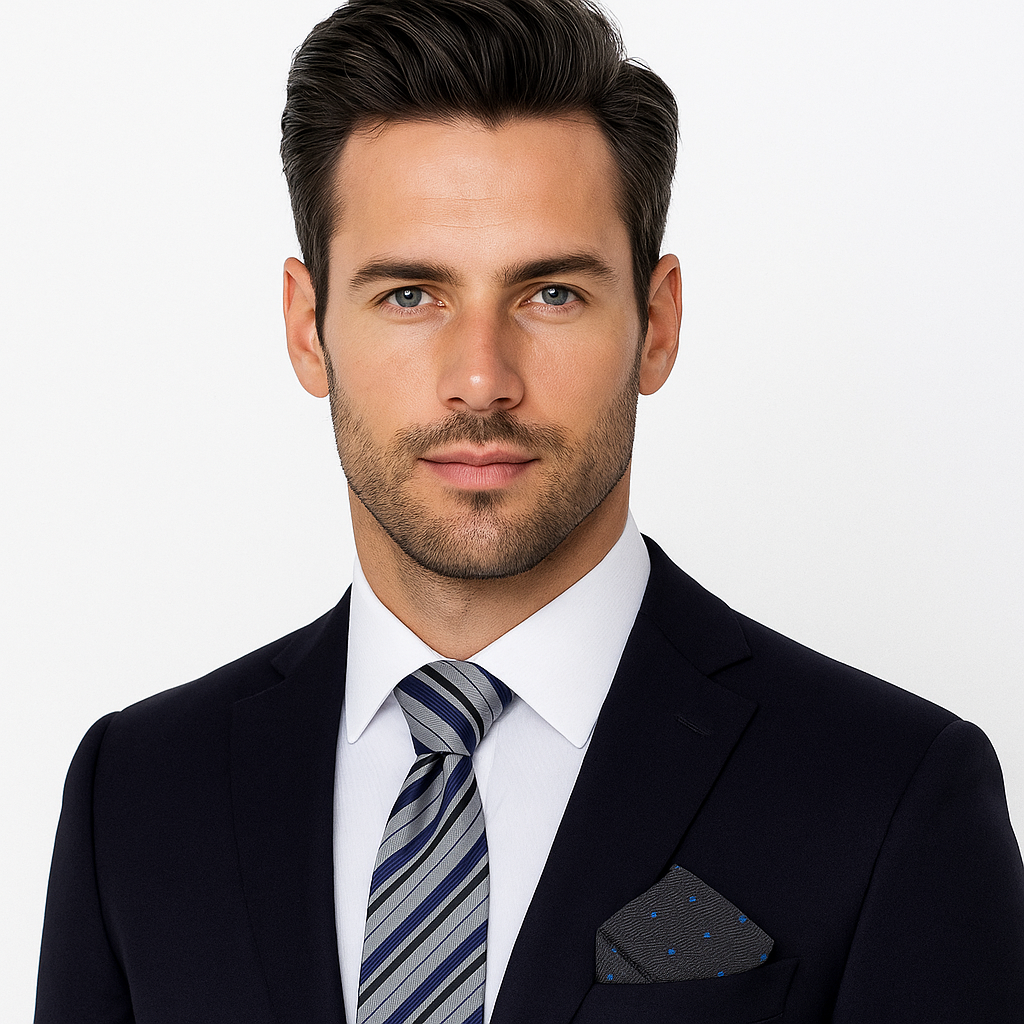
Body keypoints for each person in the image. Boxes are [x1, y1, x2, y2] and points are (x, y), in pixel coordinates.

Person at [34, 0, 1024, 1021]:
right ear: (307, 327)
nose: (479, 379)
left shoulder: (890, 793)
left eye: (549, 292)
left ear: (657, 323)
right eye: (410, 294)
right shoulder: (140, 794)